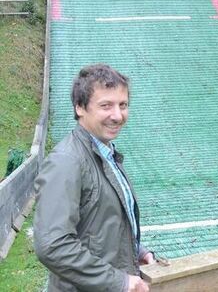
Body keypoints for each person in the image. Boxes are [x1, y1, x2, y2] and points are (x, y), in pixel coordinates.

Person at [34, 64, 155, 292]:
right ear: (80, 107)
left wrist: (138, 252)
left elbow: (102, 224)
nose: (117, 115)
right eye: (105, 106)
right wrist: (118, 281)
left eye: (123, 105)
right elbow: (52, 245)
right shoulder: (67, 162)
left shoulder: (105, 153)